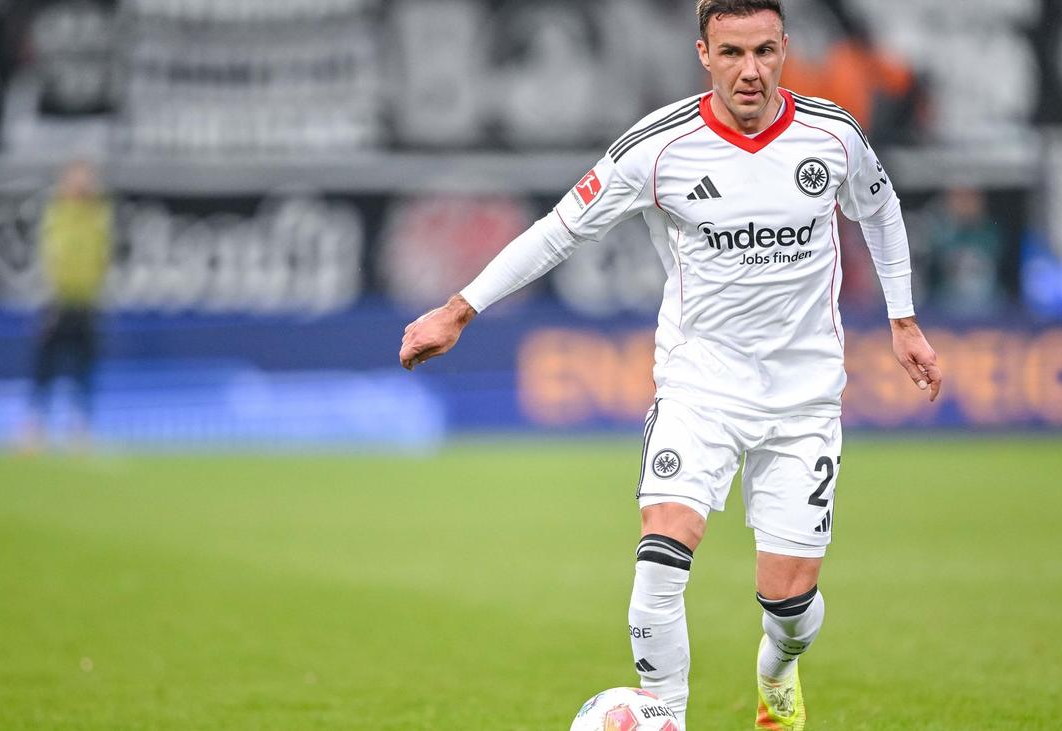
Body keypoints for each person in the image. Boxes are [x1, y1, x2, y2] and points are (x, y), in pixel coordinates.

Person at [399, 2, 942, 728]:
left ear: (785, 48)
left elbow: (880, 208)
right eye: (731, 53)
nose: (750, 71)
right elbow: (558, 231)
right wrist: (459, 309)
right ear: (703, 54)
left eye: (764, 51)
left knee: (788, 604)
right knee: (660, 554)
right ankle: (669, 716)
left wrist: (903, 320)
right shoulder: (658, 148)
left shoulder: (832, 135)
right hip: (699, 385)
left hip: (804, 397)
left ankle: (778, 669)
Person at [22, 159, 111, 451]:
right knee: (45, 366)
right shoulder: (56, 214)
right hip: (57, 302)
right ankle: (34, 427)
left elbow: (100, 258)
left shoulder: (97, 216)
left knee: (84, 367)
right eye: (76, 179)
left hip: (86, 303)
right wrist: (47, 297)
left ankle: (79, 428)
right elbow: (50, 258)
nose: (82, 185)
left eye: (86, 179)